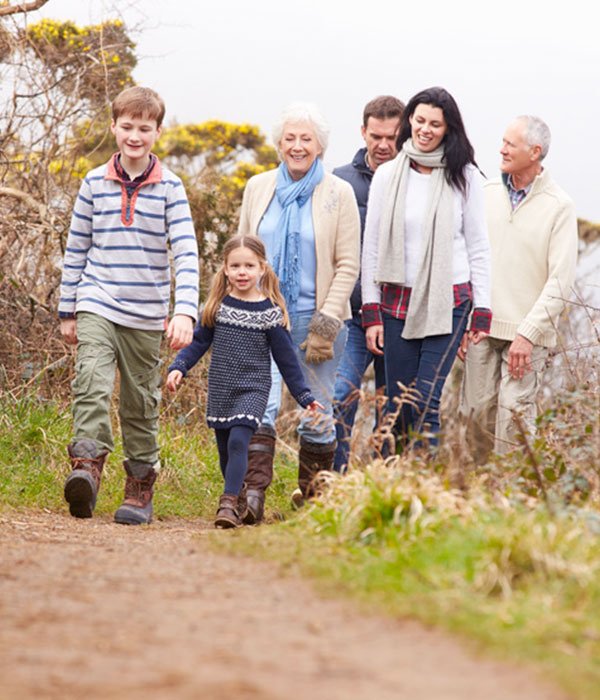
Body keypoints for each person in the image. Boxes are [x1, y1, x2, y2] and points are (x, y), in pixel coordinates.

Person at [58, 86, 199, 525]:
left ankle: (139, 486)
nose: (134, 135)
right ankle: (86, 467)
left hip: (146, 313)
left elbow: (186, 251)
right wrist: (68, 310)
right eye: (126, 126)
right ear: (113, 127)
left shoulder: (172, 188)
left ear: (158, 131)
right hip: (97, 300)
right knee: (91, 382)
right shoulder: (93, 182)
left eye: (144, 128)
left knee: (140, 403)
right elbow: (77, 246)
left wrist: (185, 311)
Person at [238, 102, 360, 520]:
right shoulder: (258, 187)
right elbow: (242, 253)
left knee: (316, 412)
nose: (297, 146)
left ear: (320, 145)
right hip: (263, 317)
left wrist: (327, 321)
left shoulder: (338, 193)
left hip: (316, 320)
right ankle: (250, 499)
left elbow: (348, 263)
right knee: (260, 404)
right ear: (278, 144)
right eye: (289, 138)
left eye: (305, 138)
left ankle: (312, 502)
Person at [361, 86, 491, 453]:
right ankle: (396, 483)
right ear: (410, 122)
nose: (426, 129)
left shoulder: (464, 176)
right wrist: (371, 312)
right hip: (396, 302)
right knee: (399, 404)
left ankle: (423, 486)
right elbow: (371, 246)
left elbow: (479, 246)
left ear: (448, 129)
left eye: (435, 123)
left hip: (449, 302)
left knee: (425, 400)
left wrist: (481, 310)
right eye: (420, 120)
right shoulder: (388, 175)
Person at [166, 235, 321, 528]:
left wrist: (304, 395)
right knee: (225, 449)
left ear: (262, 268)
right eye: (235, 265)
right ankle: (238, 499)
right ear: (225, 269)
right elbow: (198, 343)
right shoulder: (217, 307)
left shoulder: (270, 313)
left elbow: (287, 360)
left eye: (249, 265)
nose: (242, 272)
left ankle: (226, 504)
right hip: (222, 386)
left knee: (239, 441)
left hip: (253, 387)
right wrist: (179, 367)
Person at [459, 115, 577, 461]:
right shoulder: (485, 193)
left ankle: (512, 496)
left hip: (528, 336)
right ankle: (478, 493)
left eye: (511, 144)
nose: (502, 149)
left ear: (535, 152)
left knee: (514, 418)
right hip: (482, 326)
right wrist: (467, 320)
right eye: (503, 141)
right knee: (474, 416)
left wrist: (527, 334)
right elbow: (466, 259)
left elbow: (560, 281)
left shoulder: (560, 206)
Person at [332, 95, 405, 471]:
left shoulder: (417, 181)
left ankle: (381, 488)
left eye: (392, 137)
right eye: (375, 135)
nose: (383, 145)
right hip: (351, 315)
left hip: (399, 318)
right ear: (363, 132)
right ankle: (329, 485)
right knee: (339, 394)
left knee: (393, 406)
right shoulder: (337, 181)